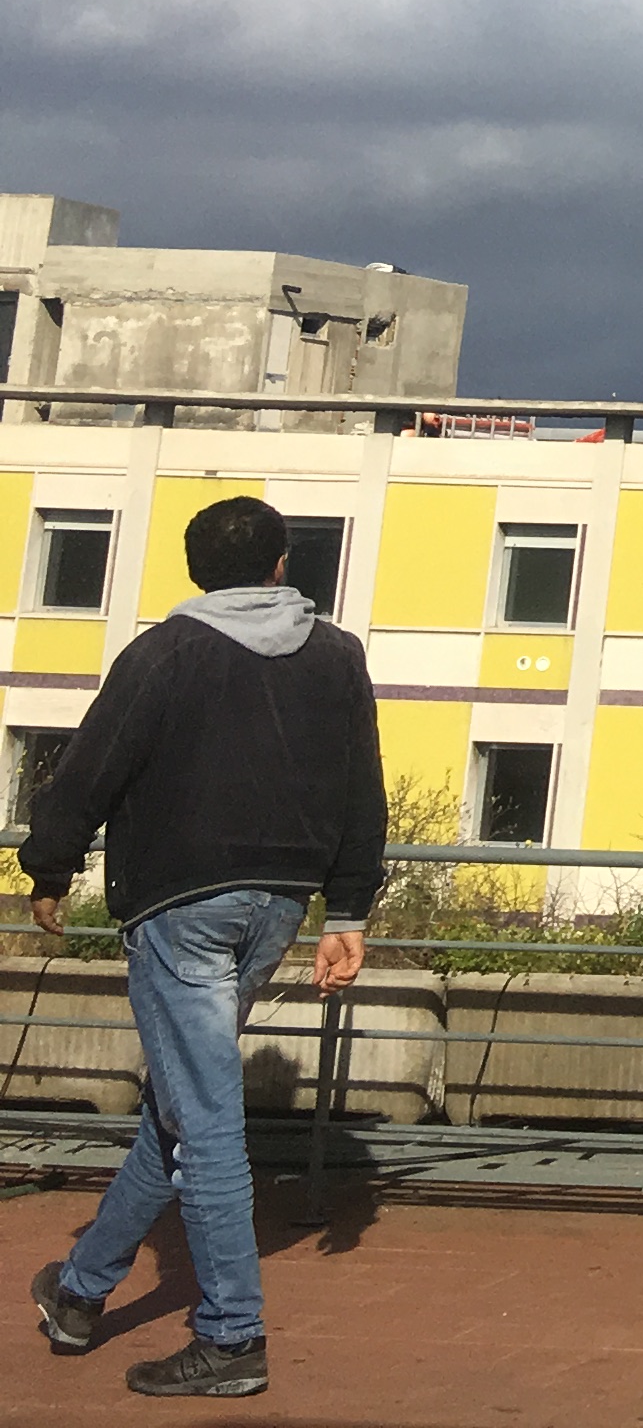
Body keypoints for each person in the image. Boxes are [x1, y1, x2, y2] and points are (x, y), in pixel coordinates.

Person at [18, 492, 386, 1400]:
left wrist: (51, 868)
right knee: (182, 1106)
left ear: (193, 569)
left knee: (207, 1121)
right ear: (282, 563)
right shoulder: (337, 656)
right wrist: (346, 913)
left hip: (181, 901)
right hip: (278, 904)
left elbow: (93, 767)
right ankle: (81, 1290)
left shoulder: (166, 652)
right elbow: (359, 791)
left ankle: (231, 1337)